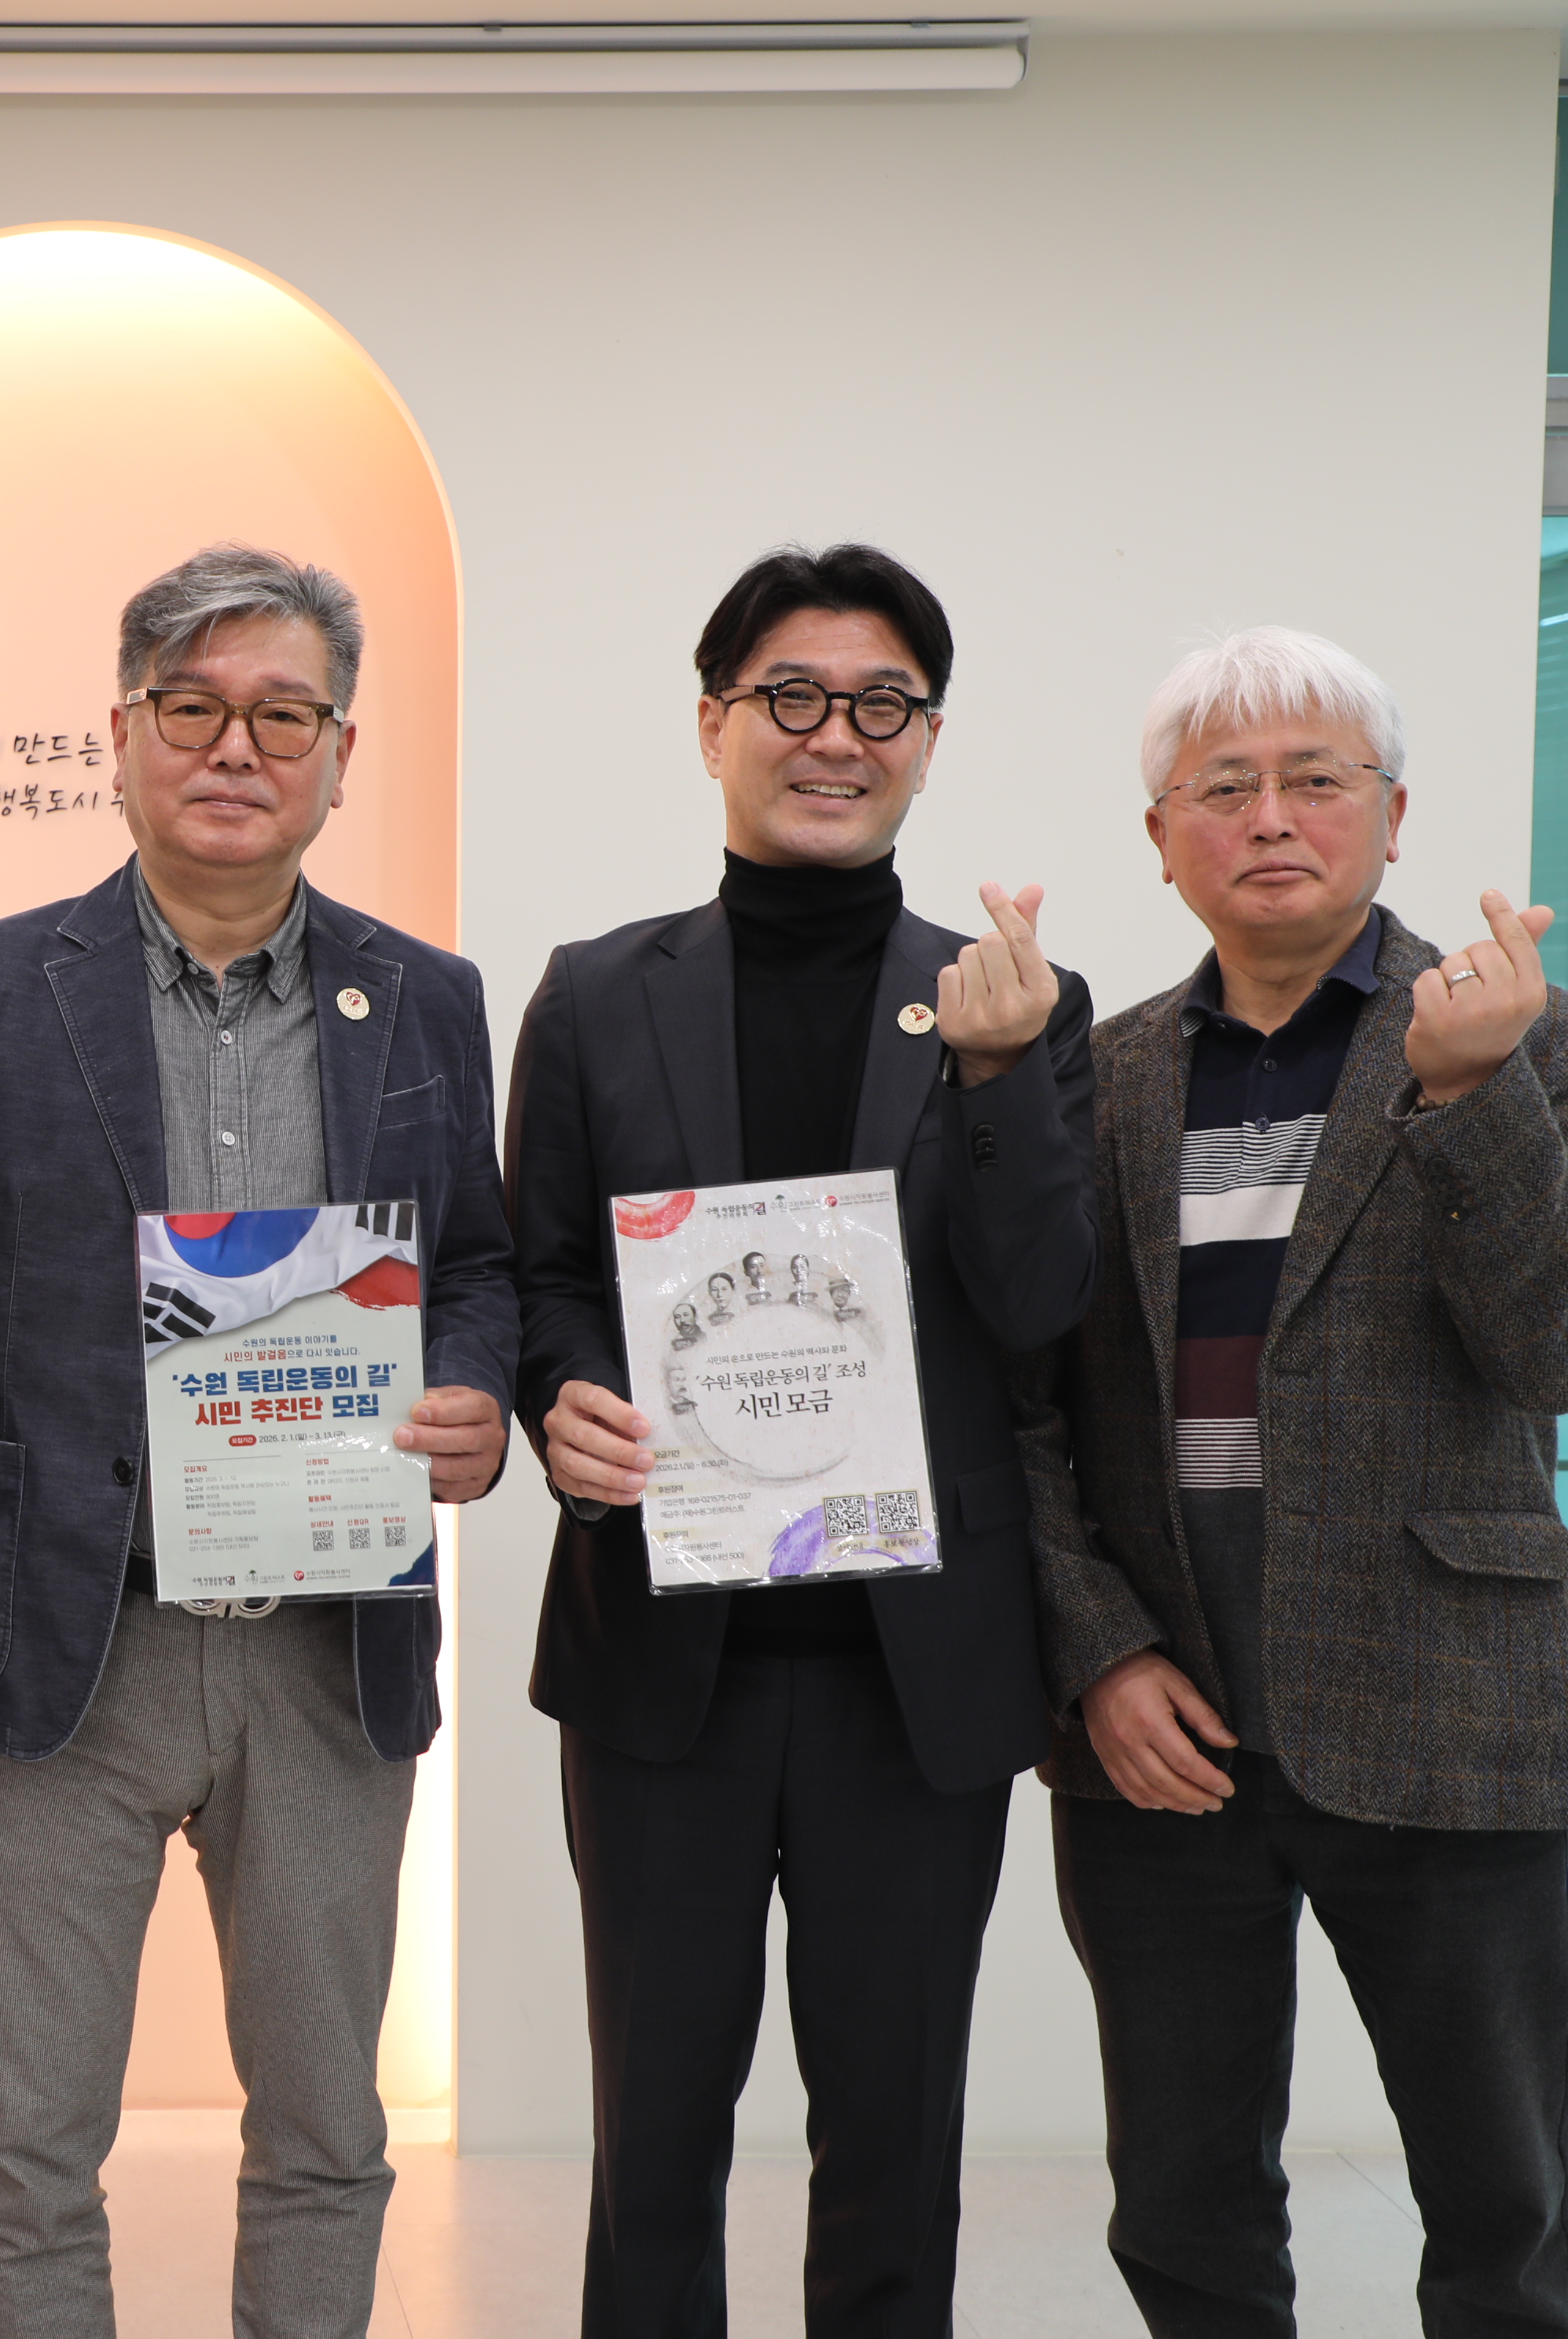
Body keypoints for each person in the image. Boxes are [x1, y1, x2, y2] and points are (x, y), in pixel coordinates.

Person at [0, 542, 518, 2339]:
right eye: (192, 708)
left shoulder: (427, 995)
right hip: (65, 1634)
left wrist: (478, 1398)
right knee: (34, 2150)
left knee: (329, 2131)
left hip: (327, 1643)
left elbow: (483, 1266)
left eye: (283, 715)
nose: (235, 748)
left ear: (341, 756)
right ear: (119, 736)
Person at [1012, 626, 1568, 2338]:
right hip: (1168, 1732)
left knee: (1505, 2206)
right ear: (1162, 838)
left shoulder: (1542, 1045)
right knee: (1183, 2205)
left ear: (1394, 815)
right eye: (1224, 787)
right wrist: (1098, 1653)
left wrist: (1473, 1097)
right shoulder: (1102, 1078)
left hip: (1450, 1702)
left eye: (1316, 780)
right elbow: (1025, 1412)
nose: (1271, 818)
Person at [507, 543, 1097, 2337]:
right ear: (714, 725)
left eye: (882, 705)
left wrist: (998, 1080)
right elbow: (546, 1275)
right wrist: (562, 1397)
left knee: (897, 2141)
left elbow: (1041, 1306)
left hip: (915, 1678)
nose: (836, 737)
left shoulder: (1015, 1002)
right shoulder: (595, 993)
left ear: (927, 741)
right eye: (792, 697)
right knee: (653, 2135)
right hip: (661, 1665)